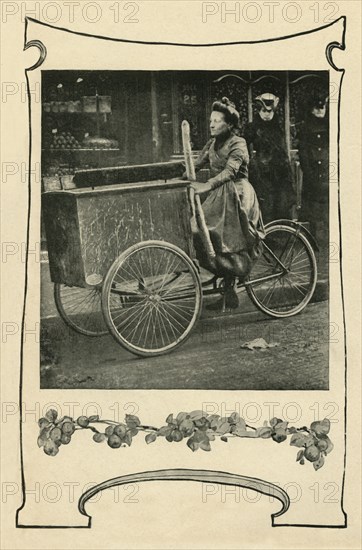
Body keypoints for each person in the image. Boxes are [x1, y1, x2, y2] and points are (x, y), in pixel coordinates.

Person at [190, 97, 263, 310]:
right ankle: (228, 289)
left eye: (216, 120)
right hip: (219, 195)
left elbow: (230, 172)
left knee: (228, 240)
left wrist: (206, 185)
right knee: (202, 235)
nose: (211, 124)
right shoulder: (212, 143)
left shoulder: (238, 143)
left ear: (229, 124)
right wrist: (181, 173)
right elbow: (196, 164)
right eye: (210, 120)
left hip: (238, 195)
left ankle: (236, 276)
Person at [244, 93, 295, 222]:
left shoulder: (277, 127)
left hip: (279, 172)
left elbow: (282, 150)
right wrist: (250, 162)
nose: (267, 114)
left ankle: (281, 235)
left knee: (281, 204)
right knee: (265, 206)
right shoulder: (252, 127)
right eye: (263, 111)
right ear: (259, 111)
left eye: (269, 111)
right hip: (261, 173)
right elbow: (243, 145)